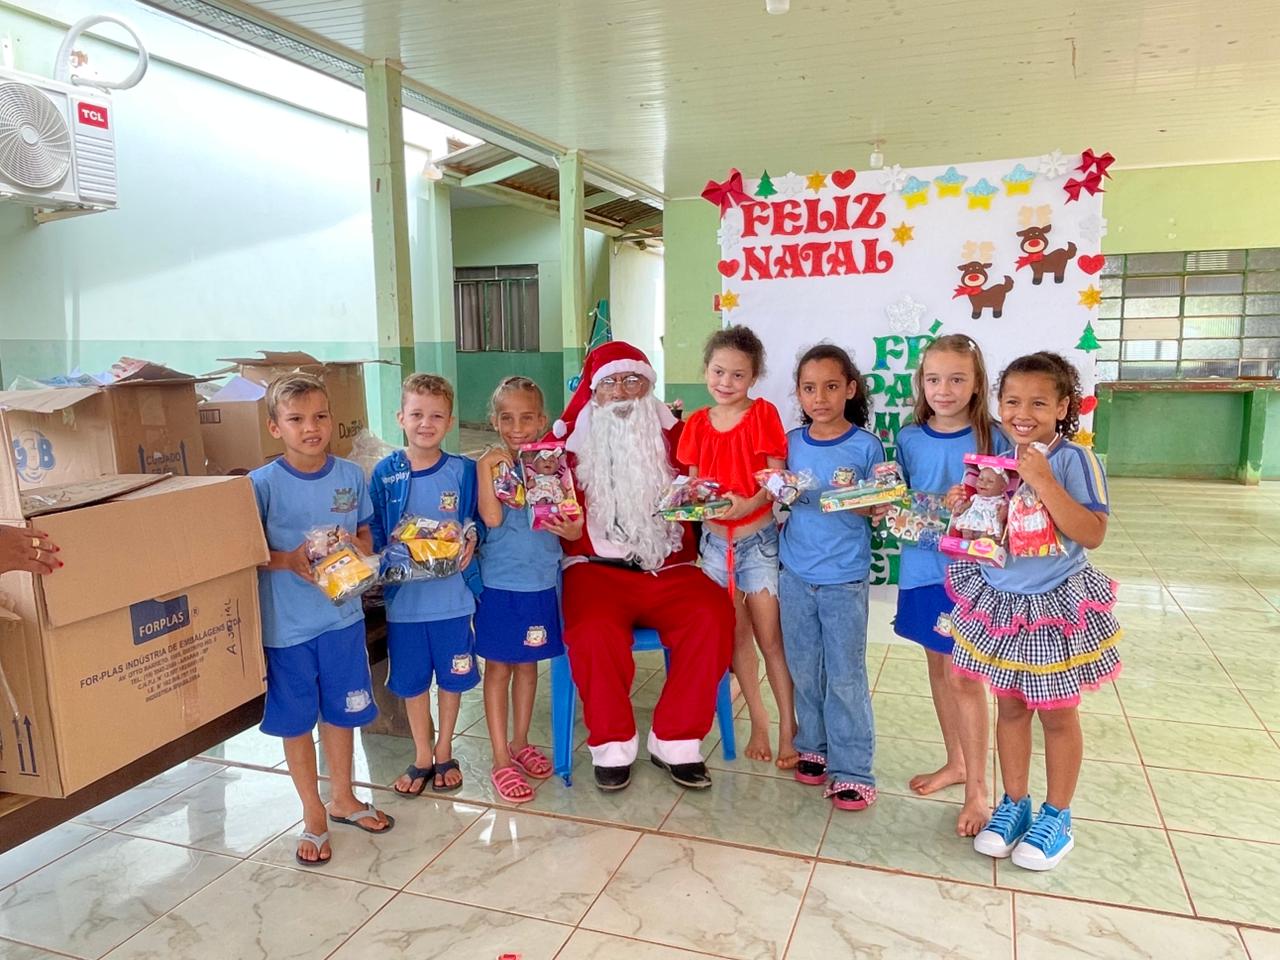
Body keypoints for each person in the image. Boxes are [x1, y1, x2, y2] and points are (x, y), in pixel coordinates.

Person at [949, 352, 1120, 871]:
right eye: (1012, 401)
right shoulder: (997, 459)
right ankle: (1015, 804)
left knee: (1058, 714)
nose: (1022, 414)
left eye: (1039, 403)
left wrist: (1043, 480)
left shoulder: (1076, 460)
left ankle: (1057, 816)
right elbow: (993, 529)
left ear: (1063, 407)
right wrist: (968, 505)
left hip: (1055, 605)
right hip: (1002, 603)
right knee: (1011, 708)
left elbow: (1092, 532)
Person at [552, 340, 734, 791]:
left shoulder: (679, 437)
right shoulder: (563, 450)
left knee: (713, 615)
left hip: (669, 568)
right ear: (594, 392)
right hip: (594, 569)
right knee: (592, 631)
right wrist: (563, 528)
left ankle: (676, 739)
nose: (621, 392)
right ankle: (612, 744)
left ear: (648, 386)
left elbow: (721, 473)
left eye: (633, 380)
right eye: (610, 383)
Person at [251, 373, 393, 867]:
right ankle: (312, 812)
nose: (310, 428)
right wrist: (285, 560)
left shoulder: (350, 476)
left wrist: (359, 549)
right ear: (275, 428)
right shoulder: (262, 484)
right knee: (296, 721)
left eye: (320, 417)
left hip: (342, 619)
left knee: (341, 711)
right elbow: (246, 552)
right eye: (296, 419)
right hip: (288, 628)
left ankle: (343, 797)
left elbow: (366, 534)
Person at [892, 334, 1009, 836]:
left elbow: (1014, 504)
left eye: (957, 379)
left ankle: (979, 789)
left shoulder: (995, 437)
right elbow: (897, 499)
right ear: (921, 382)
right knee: (940, 671)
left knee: (965, 678)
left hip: (974, 578)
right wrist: (883, 504)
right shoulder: (909, 438)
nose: (944, 390)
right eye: (934, 379)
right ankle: (957, 762)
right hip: (922, 572)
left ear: (977, 383)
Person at [676, 326, 796, 769]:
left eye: (738, 375)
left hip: (758, 542)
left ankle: (788, 729)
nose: (726, 382)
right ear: (706, 370)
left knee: (771, 640)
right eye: (718, 371)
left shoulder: (763, 414)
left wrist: (750, 503)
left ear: (754, 377)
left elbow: (776, 480)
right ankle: (759, 723)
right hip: (714, 547)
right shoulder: (696, 423)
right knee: (736, 639)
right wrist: (692, 506)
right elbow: (694, 486)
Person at [780, 345, 885, 811]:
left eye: (830, 387)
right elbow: (777, 495)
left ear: (850, 390)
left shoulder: (866, 446)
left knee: (845, 675)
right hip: (794, 573)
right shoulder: (790, 442)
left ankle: (854, 770)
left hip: (844, 577)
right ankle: (814, 747)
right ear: (799, 393)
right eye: (809, 388)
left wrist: (856, 498)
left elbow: (875, 508)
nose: (819, 398)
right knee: (804, 668)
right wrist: (779, 490)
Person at [370, 374, 481, 796]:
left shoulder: (462, 471)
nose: (425, 424)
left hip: (453, 600)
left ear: (450, 422)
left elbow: (474, 519)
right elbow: (373, 529)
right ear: (400, 418)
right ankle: (421, 755)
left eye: (436, 416)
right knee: (413, 683)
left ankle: (444, 748)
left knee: (452, 679)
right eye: (416, 414)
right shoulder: (387, 473)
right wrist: (382, 555)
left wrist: (470, 535)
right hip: (406, 604)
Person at [475, 377, 582, 803]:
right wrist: (486, 466)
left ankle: (520, 742)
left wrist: (571, 529)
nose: (516, 428)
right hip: (501, 584)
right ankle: (500, 758)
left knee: (527, 665)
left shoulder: (554, 465)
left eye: (526, 418)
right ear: (494, 421)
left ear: (542, 420)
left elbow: (571, 522)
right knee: (499, 668)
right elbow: (492, 519)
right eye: (506, 418)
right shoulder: (491, 466)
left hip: (541, 580)